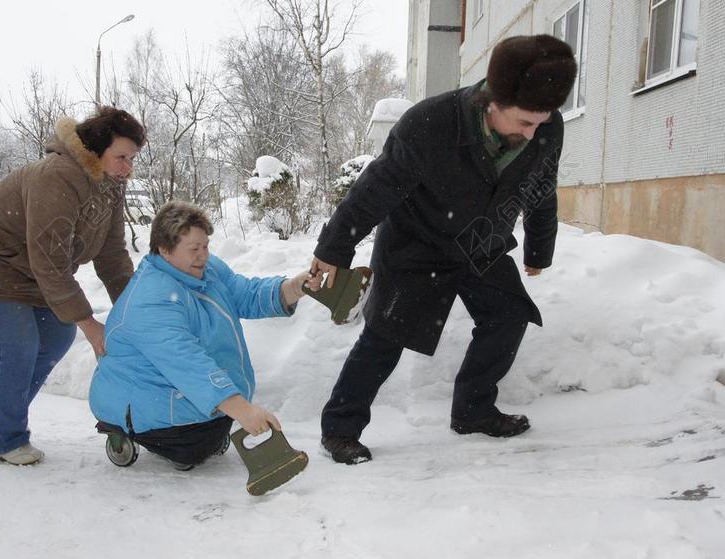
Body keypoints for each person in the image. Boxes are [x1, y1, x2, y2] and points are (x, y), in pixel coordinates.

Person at [309, 35, 578, 464]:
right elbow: (374, 190)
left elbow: (542, 186)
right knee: (385, 336)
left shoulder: (547, 127)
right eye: (525, 122)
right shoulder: (430, 124)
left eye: (542, 122)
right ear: (494, 101)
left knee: (509, 316)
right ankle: (340, 428)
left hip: (481, 240)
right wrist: (334, 248)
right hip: (417, 244)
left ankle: (473, 411)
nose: (533, 133)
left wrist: (538, 249)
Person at [0, 107, 146, 465]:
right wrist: (90, 325)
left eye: (131, 158)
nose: (127, 167)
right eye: (121, 157)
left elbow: (113, 256)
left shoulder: (111, 185)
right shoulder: (57, 177)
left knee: (57, 336)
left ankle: (1, 396)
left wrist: (134, 311)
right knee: (18, 343)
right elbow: (51, 263)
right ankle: (6, 440)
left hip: (28, 271)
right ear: (96, 149)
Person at [89, 201, 317, 471]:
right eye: (194, 249)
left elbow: (243, 293)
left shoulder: (204, 269)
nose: (203, 255)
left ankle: (207, 428)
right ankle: (175, 441)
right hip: (144, 403)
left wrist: (292, 288)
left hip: (182, 394)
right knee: (196, 446)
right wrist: (242, 410)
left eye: (205, 246)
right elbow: (187, 363)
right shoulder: (150, 300)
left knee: (214, 423)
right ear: (164, 249)